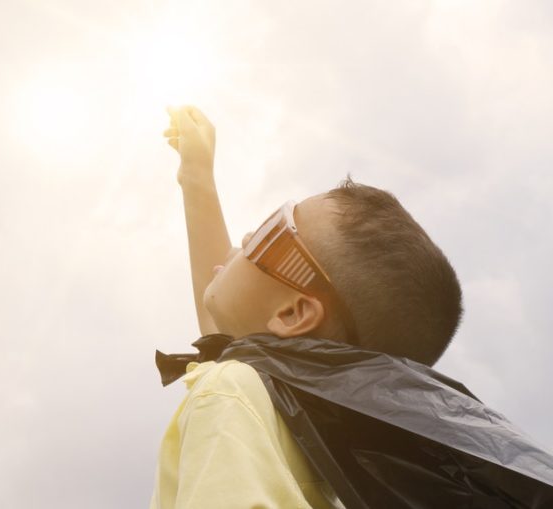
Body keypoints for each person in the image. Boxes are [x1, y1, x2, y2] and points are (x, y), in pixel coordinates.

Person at [149, 105, 463, 509]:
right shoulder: (305, 432)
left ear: (293, 314)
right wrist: (196, 176)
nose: (246, 236)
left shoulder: (232, 392)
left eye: (271, 232)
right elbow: (223, 324)